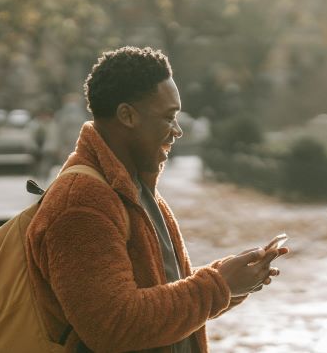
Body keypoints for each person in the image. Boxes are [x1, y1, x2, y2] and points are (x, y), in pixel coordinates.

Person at [27, 46, 287, 353]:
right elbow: (113, 326)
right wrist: (220, 286)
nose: (177, 130)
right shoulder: (81, 203)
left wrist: (229, 280)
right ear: (127, 115)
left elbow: (166, 300)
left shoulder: (132, 185)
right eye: (168, 117)